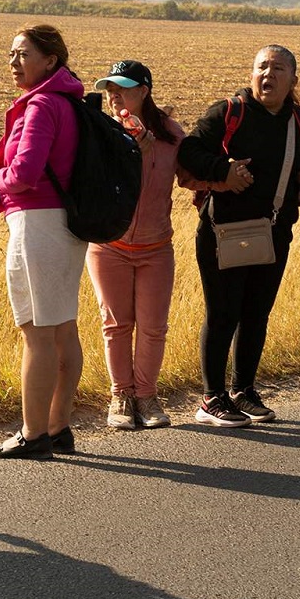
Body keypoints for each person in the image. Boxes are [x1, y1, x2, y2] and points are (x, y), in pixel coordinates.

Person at [178, 45, 300, 427]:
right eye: (262, 67)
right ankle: (211, 399)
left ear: (293, 80)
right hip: (223, 232)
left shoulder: (295, 118)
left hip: (274, 232)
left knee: (256, 315)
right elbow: (188, 151)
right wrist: (223, 171)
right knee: (223, 314)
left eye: (278, 68)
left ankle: (243, 392)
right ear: (251, 74)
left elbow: (289, 163)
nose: (268, 74)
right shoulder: (229, 112)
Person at [0, 24, 86, 459]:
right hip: (66, 226)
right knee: (63, 329)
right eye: (11, 53)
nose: (13, 62)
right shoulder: (70, 101)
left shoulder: (41, 104)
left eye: (23, 54)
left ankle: (33, 434)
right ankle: (58, 428)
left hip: (37, 225)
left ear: (50, 60)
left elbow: (23, 174)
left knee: (36, 335)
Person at [85, 60, 187, 430]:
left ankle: (146, 396)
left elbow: (190, 176)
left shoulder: (171, 133)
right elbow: (92, 180)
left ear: (143, 92)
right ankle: (121, 397)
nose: (114, 96)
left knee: (153, 327)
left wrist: (226, 176)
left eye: (122, 89)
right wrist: (131, 152)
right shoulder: (102, 130)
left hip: (155, 246)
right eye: (109, 89)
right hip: (109, 244)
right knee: (116, 325)